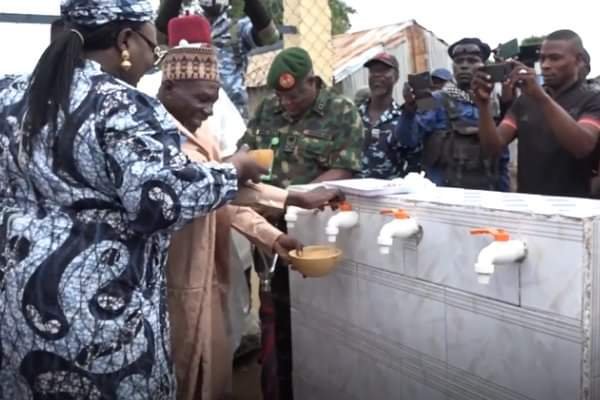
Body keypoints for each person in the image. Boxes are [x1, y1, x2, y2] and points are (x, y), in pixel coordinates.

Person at [0, 0, 267, 398]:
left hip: (17, 306)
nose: (150, 59)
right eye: (151, 47)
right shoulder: (122, 103)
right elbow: (160, 200)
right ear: (125, 40)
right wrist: (236, 169)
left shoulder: (11, 94)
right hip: (98, 315)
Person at [156, 16, 344, 400]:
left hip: (209, 273)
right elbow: (215, 185)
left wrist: (273, 238)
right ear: (169, 87)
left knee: (214, 367)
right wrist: (289, 197)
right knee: (179, 375)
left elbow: (225, 198)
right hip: (172, 280)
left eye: (214, 99)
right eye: (203, 99)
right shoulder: (152, 139)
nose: (210, 111)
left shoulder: (203, 134)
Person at [238, 47, 364, 399]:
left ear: (313, 80)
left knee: (313, 319)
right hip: (268, 233)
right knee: (273, 314)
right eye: (281, 95)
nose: (287, 102)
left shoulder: (341, 112)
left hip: (315, 232)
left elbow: (345, 169)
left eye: (295, 94)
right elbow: (245, 152)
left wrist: (288, 199)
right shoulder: (267, 110)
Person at [473, 29, 600, 197]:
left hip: (575, 209)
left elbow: (582, 146)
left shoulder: (592, 99)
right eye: (543, 59)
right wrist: (483, 106)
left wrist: (541, 97)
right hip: (530, 205)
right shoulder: (524, 102)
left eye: (555, 58)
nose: (546, 65)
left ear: (578, 60)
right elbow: (492, 148)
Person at [395, 38, 510, 191]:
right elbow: (408, 141)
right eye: (459, 61)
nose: (464, 65)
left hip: (487, 194)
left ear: (484, 65)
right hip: (443, 195)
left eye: (472, 60)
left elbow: (501, 159)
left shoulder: (495, 103)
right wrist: (409, 112)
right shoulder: (435, 100)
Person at [156, 0, 280, 119]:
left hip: (233, 114)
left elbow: (270, 37)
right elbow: (158, 41)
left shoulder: (235, 28)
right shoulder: (185, 27)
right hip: (191, 112)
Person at [359, 52, 418, 179]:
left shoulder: (404, 118)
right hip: (352, 194)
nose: (377, 75)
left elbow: (415, 162)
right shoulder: (353, 116)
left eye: (384, 71)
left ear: (396, 77)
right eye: (373, 71)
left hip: (389, 194)